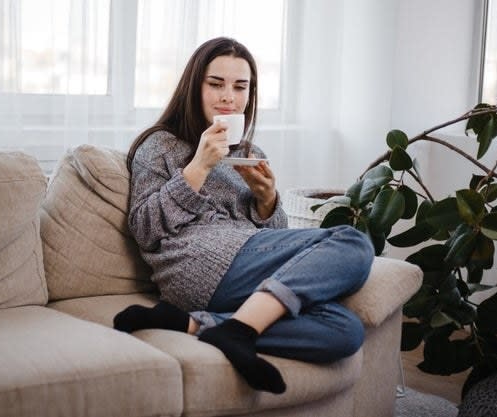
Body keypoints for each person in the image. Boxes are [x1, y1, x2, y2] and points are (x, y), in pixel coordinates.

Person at [113, 37, 374, 394]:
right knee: (353, 241)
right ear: (194, 87)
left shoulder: (251, 153)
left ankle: (197, 325)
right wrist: (198, 167)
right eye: (215, 84)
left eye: (240, 87)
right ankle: (237, 331)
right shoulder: (160, 145)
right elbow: (144, 229)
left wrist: (267, 202)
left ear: (250, 95)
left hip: (241, 269)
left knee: (345, 332)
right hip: (195, 263)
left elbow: (275, 243)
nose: (228, 97)